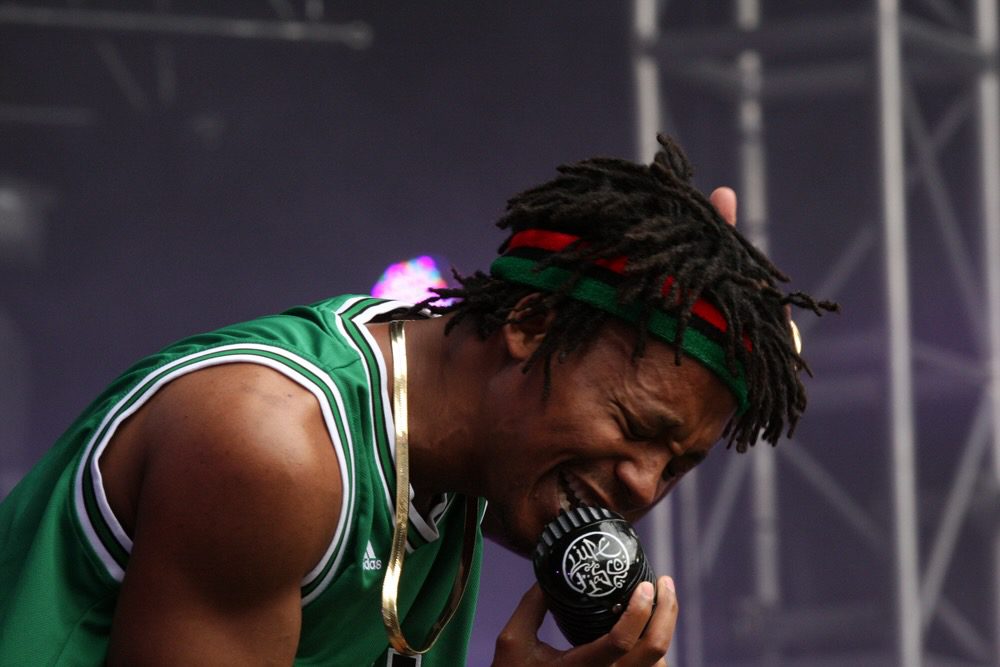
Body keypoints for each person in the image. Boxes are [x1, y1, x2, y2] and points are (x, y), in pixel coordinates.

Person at [0, 135, 836, 666]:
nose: (646, 488)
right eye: (634, 427)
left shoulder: (456, 466)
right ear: (532, 321)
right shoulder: (272, 453)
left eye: (679, 464)